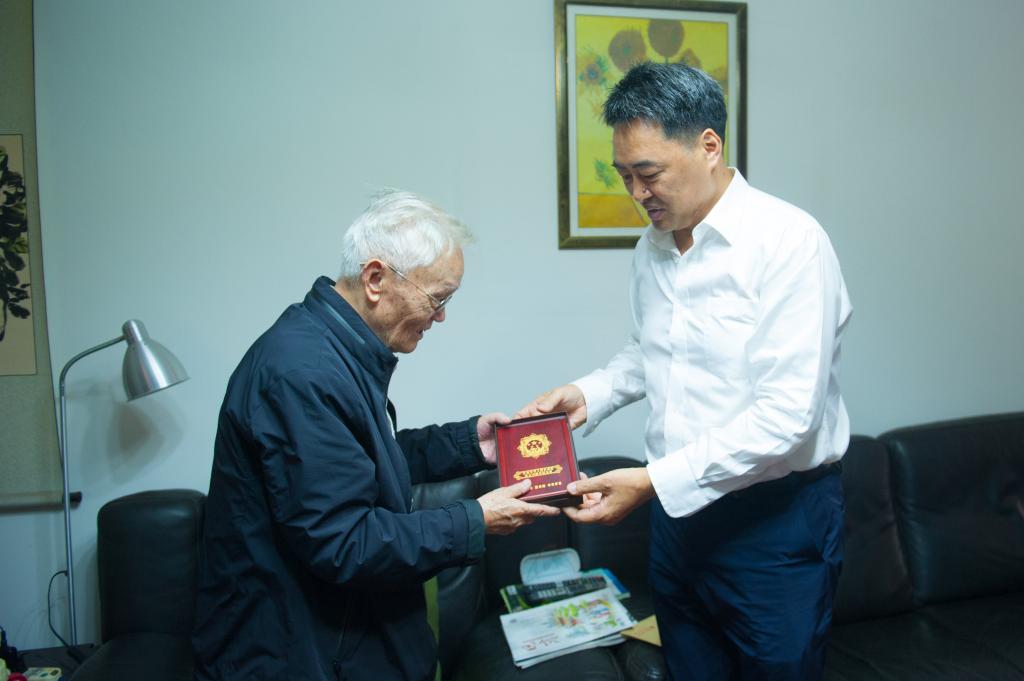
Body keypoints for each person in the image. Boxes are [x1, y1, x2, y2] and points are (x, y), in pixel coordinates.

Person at [518, 62, 852, 680]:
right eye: (624, 176)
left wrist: (651, 482)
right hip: (677, 522)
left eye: (649, 174)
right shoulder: (653, 247)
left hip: (773, 524)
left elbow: (789, 417)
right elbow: (652, 350)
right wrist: (590, 394)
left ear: (709, 146)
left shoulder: (788, 242)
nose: (637, 193)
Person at [193, 189, 560, 681]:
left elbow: (358, 465)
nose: (441, 316)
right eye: (437, 298)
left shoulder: (329, 348)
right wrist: (475, 519)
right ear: (375, 279)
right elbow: (344, 541)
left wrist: (470, 443)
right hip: (300, 656)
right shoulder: (303, 373)